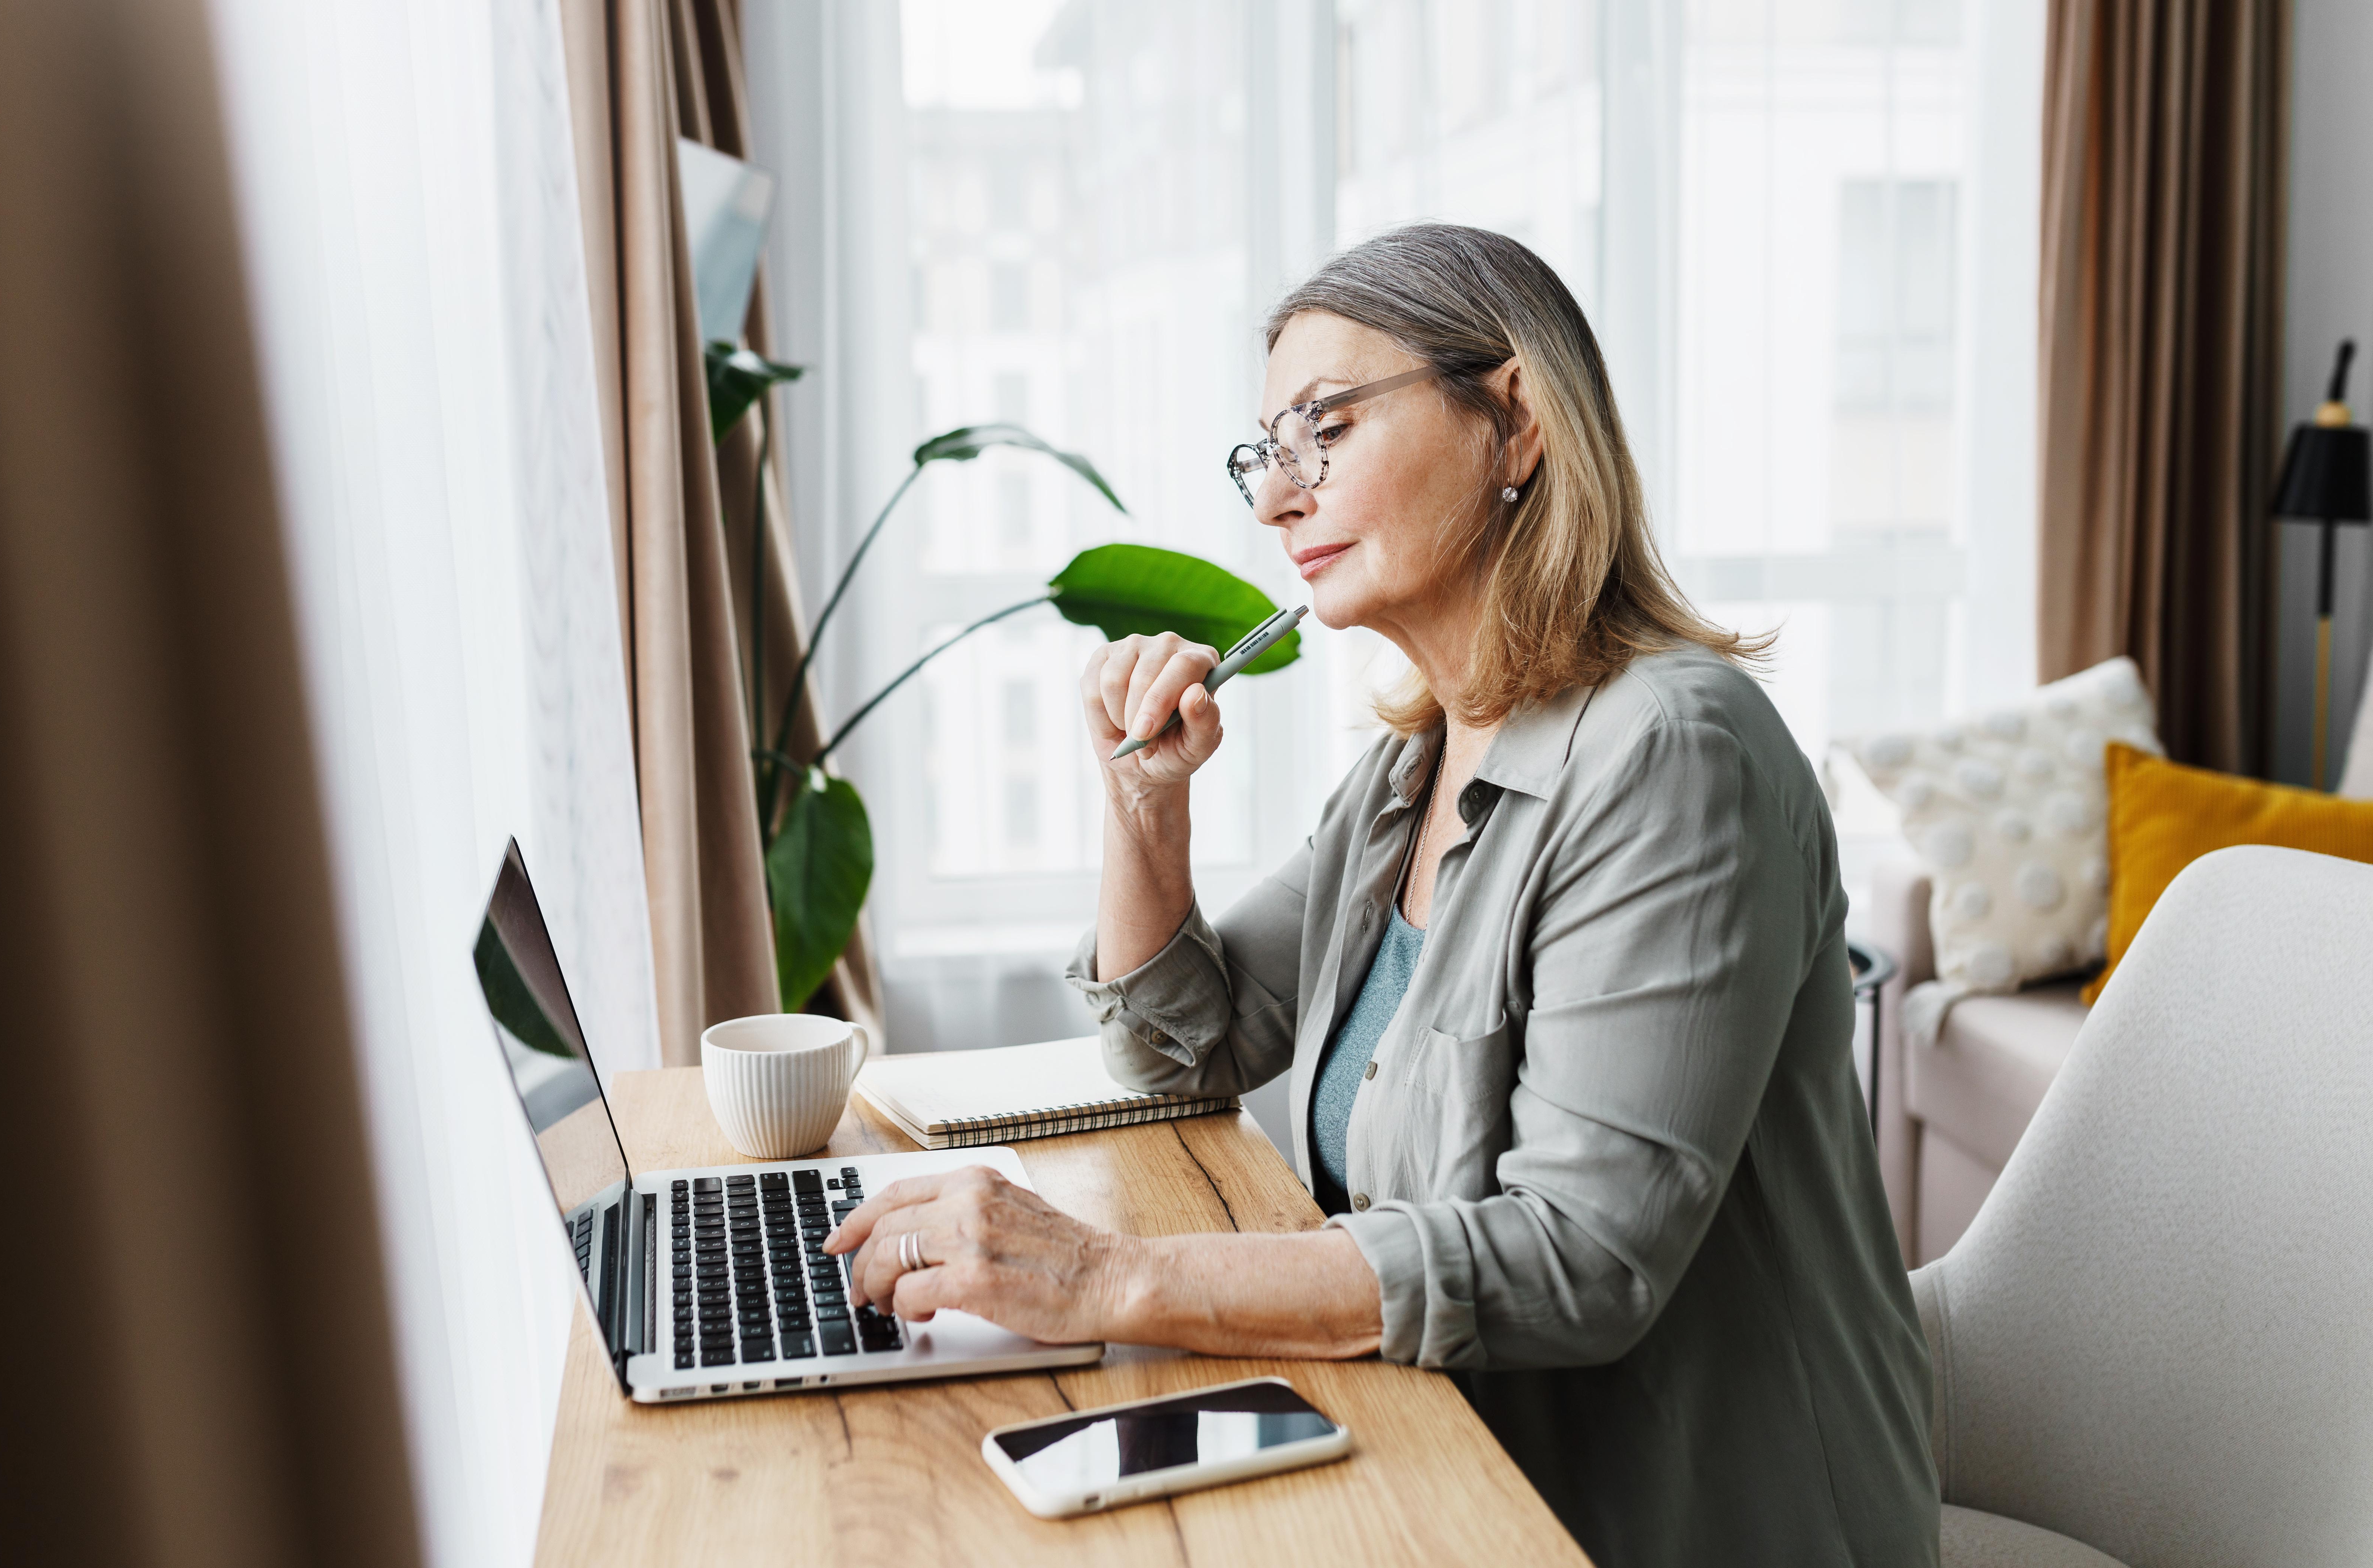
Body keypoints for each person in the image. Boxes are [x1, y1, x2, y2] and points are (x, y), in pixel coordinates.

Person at [824, 223, 1937, 1567]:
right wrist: (1143, 809)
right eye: (1267, 453)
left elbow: (1582, 1261)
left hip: (1667, 1520)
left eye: (1327, 429)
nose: (1276, 503)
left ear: (1514, 422)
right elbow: (1184, 1051)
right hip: (1444, 1445)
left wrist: (1104, 1274)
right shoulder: (1411, 770)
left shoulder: (1674, 756)